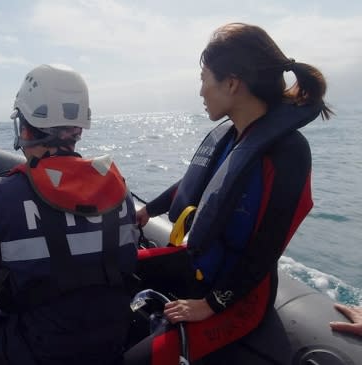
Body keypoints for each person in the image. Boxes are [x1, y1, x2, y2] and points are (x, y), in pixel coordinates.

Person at [124, 22, 332, 364]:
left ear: (232, 83)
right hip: (201, 268)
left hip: (240, 299)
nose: (201, 91)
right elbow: (201, 183)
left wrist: (210, 306)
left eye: (204, 80)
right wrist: (150, 210)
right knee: (114, 271)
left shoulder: (287, 153)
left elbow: (267, 248)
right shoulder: (234, 136)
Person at [0, 64, 139, 364]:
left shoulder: (3, 197)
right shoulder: (119, 190)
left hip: (38, 350)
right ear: (78, 129)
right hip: (111, 341)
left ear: (25, 128)